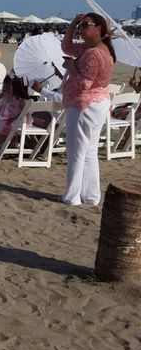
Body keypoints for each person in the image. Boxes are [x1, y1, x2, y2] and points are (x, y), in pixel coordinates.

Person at [60, 12, 116, 206]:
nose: (81, 29)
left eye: (85, 25)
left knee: (76, 151)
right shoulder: (100, 50)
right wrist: (73, 24)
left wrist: (71, 66)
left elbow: (85, 83)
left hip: (84, 105)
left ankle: (72, 196)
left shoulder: (93, 53)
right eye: (81, 26)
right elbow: (66, 46)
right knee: (89, 151)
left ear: (98, 28)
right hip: (98, 103)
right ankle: (91, 196)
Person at [0, 72, 31, 154]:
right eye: (4, 85)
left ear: (17, 87)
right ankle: (10, 145)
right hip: (4, 116)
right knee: (0, 127)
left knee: (4, 129)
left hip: (17, 118)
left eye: (8, 86)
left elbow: (24, 111)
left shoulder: (20, 98)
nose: (5, 87)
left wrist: (15, 120)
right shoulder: (6, 93)